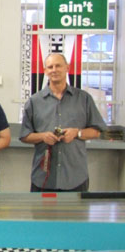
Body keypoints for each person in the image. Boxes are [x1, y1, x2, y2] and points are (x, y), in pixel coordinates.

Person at [20, 53, 106, 192]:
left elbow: (97, 131)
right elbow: (24, 135)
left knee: (75, 214)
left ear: (67, 68)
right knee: (42, 214)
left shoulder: (84, 99)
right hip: (43, 178)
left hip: (75, 177)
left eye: (58, 65)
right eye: (50, 67)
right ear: (45, 71)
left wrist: (77, 133)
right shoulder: (34, 102)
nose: (54, 70)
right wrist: (42, 136)